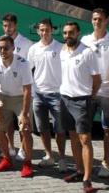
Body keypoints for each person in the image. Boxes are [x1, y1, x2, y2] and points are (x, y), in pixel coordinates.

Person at [58, 22, 101, 193]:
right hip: (65, 99)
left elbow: (97, 79)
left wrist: (90, 96)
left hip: (82, 100)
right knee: (73, 137)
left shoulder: (87, 52)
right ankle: (79, 170)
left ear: (78, 33)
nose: (68, 35)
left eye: (71, 32)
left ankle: (87, 180)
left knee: (85, 140)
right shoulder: (62, 51)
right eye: (65, 33)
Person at [80, 8, 109, 178]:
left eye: (100, 19)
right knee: (85, 130)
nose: (97, 22)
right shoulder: (84, 40)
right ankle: (87, 162)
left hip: (106, 93)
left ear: (106, 21)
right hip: (88, 92)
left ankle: (105, 162)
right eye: (94, 19)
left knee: (108, 130)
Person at [0, 35, 35, 178]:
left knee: (25, 129)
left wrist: (25, 114)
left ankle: (27, 163)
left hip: (21, 98)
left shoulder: (24, 64)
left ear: (13, 48)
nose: (3, 51)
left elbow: (28, 90)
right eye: (0, 48)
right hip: (4, 97)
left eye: (6, 48)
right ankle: (7, 159)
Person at [27, 18, 68, 172]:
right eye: (41, 30)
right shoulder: (33, 49)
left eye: (47, 29)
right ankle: (49, 156)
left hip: (57, 94)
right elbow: (28, 71)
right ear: (38, 30)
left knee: (60, 130)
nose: (44, 33)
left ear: (52, 30)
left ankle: (62, 159)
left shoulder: (60, 48)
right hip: (38, 94)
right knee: (43, 128)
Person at [1, 13, 34, 160]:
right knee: (8, 124)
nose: (7, 28)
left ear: (16, 25)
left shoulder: (26, 44)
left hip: (21, 93)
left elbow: (30, 68)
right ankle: (11, 146)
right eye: (5, 25)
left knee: (23, 124)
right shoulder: (0, 42)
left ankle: (23, 149)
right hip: (6, 92)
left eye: (10, 25)